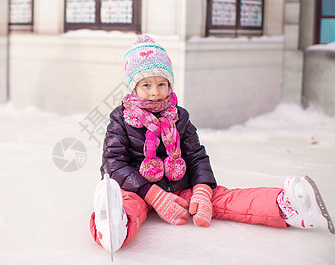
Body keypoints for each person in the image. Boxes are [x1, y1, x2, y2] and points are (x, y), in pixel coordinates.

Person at [89, 35, 334, 252]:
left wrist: (203, 190)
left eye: (161, 83)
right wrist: (152, 194)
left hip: (178, 186)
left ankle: (284, 206)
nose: (155, 92)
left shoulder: (179, 117)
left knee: (223, 198)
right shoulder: (120, 119)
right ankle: (114, 224)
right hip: (138, 189)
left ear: (170, 84)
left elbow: (196, 156)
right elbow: (113, 164)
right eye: (146, 85)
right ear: (133, 87)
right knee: (128, 202)